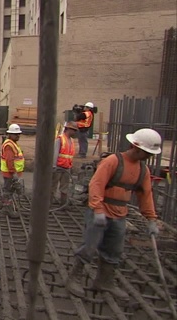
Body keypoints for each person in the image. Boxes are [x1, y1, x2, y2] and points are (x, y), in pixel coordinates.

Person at [66, 128, 162, 301]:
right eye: (146, 152)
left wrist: (151, 219)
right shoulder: (113, 161)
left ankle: (104, 281)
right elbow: (97, 184)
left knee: (114, 250)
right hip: (100, 211)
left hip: (119, 214)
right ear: (135, 146)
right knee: (90, 245)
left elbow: (145, 195)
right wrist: (97, 208)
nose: (148, 156)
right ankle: (74, 277)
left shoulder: (143, 170)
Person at [0, 124, 23, 219]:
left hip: (11, 172)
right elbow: (9, 160)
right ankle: (7, 209)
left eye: (18, 134)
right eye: (15, 134)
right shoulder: (9, 145)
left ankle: (5, 206)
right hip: (10, 172)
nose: (18, 136)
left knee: (9, 190)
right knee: (8, 191)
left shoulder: (13, 143)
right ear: (10, 134)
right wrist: (13, 173)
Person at [51, 121, 78, 203]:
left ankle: (63, 203)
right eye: (74, 130)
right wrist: (53, 166)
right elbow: (55, 153)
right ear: (68, 129)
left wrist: (70, 166)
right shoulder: (60, 139)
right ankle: (48, 203)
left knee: (65, 187)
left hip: (66, 168)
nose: (74, 132)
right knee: (52, 186)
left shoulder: (72, 141)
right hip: (58, 167)